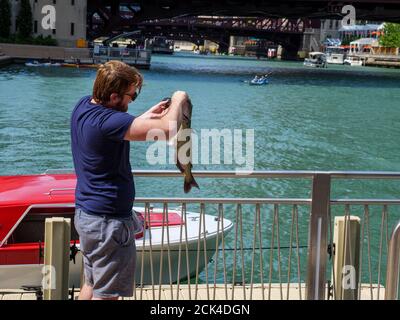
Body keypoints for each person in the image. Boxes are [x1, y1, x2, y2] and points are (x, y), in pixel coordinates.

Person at [70, 60, 187, 300]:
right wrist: (178, 98)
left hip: (87, 216)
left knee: (91, 285)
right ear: (114, 96)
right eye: (131, 96)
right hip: (108, 223)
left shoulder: (83, 106)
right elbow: (167, 131)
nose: (133, 99)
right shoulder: (109, 122)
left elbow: (115, 129)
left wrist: (145, 117)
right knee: (107, 295)